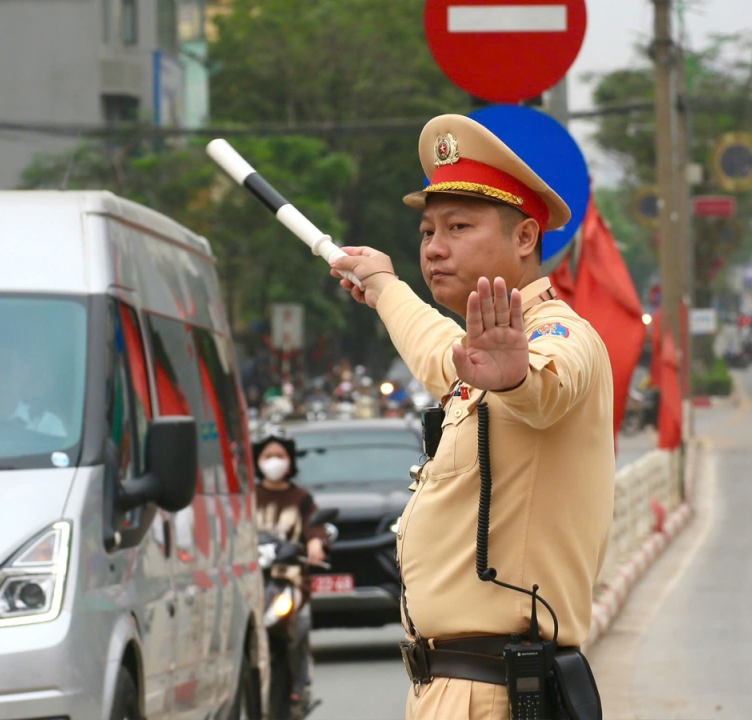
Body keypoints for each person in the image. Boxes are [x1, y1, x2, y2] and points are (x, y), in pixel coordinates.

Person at [329, 114, 613, 719]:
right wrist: (383, 286)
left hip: (494, 691)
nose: (434, 246)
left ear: (524, 238)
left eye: (459, 227)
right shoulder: (479, 354)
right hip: (456, 686)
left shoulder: (561, 334)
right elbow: (439, 349)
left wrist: (515, 376)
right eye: (428, 229)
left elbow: (545, 386)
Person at [252, 425, 328, 708]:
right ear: (257, 460)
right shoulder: (248, 496)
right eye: (268, 455)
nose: (274, 461)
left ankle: (298, 683)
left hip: (291, 580)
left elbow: (315, 526)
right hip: (251, 580)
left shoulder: (301, 498)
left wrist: (315, 544)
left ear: (290, 460)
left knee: (300, 623)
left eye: (279, 455)